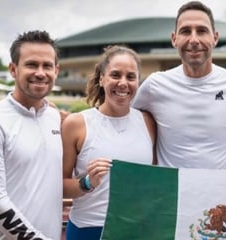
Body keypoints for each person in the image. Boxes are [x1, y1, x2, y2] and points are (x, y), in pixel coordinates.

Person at [132, 1, 226, 169]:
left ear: (215, 38)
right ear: (174, 39)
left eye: (201, 31)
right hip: (171, 193)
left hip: (220, 193)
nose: (194, 39)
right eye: (185, 31)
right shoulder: (154, 86)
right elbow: (127, 125)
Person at [62, 45, 156, 240]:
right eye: (115, 75)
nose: (123, 83)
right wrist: (87, 183)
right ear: (101, 79)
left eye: (130, 77)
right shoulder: (77, 124)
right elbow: (59, 185)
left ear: (138, 82)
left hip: (135, 229)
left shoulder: (148, 122)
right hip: (88, 229)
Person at [0, 30, 62, 239]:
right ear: (13, 69)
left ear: (56, 71)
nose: (40, 73)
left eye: (47, 66)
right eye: (32, 64)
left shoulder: (54, 117)